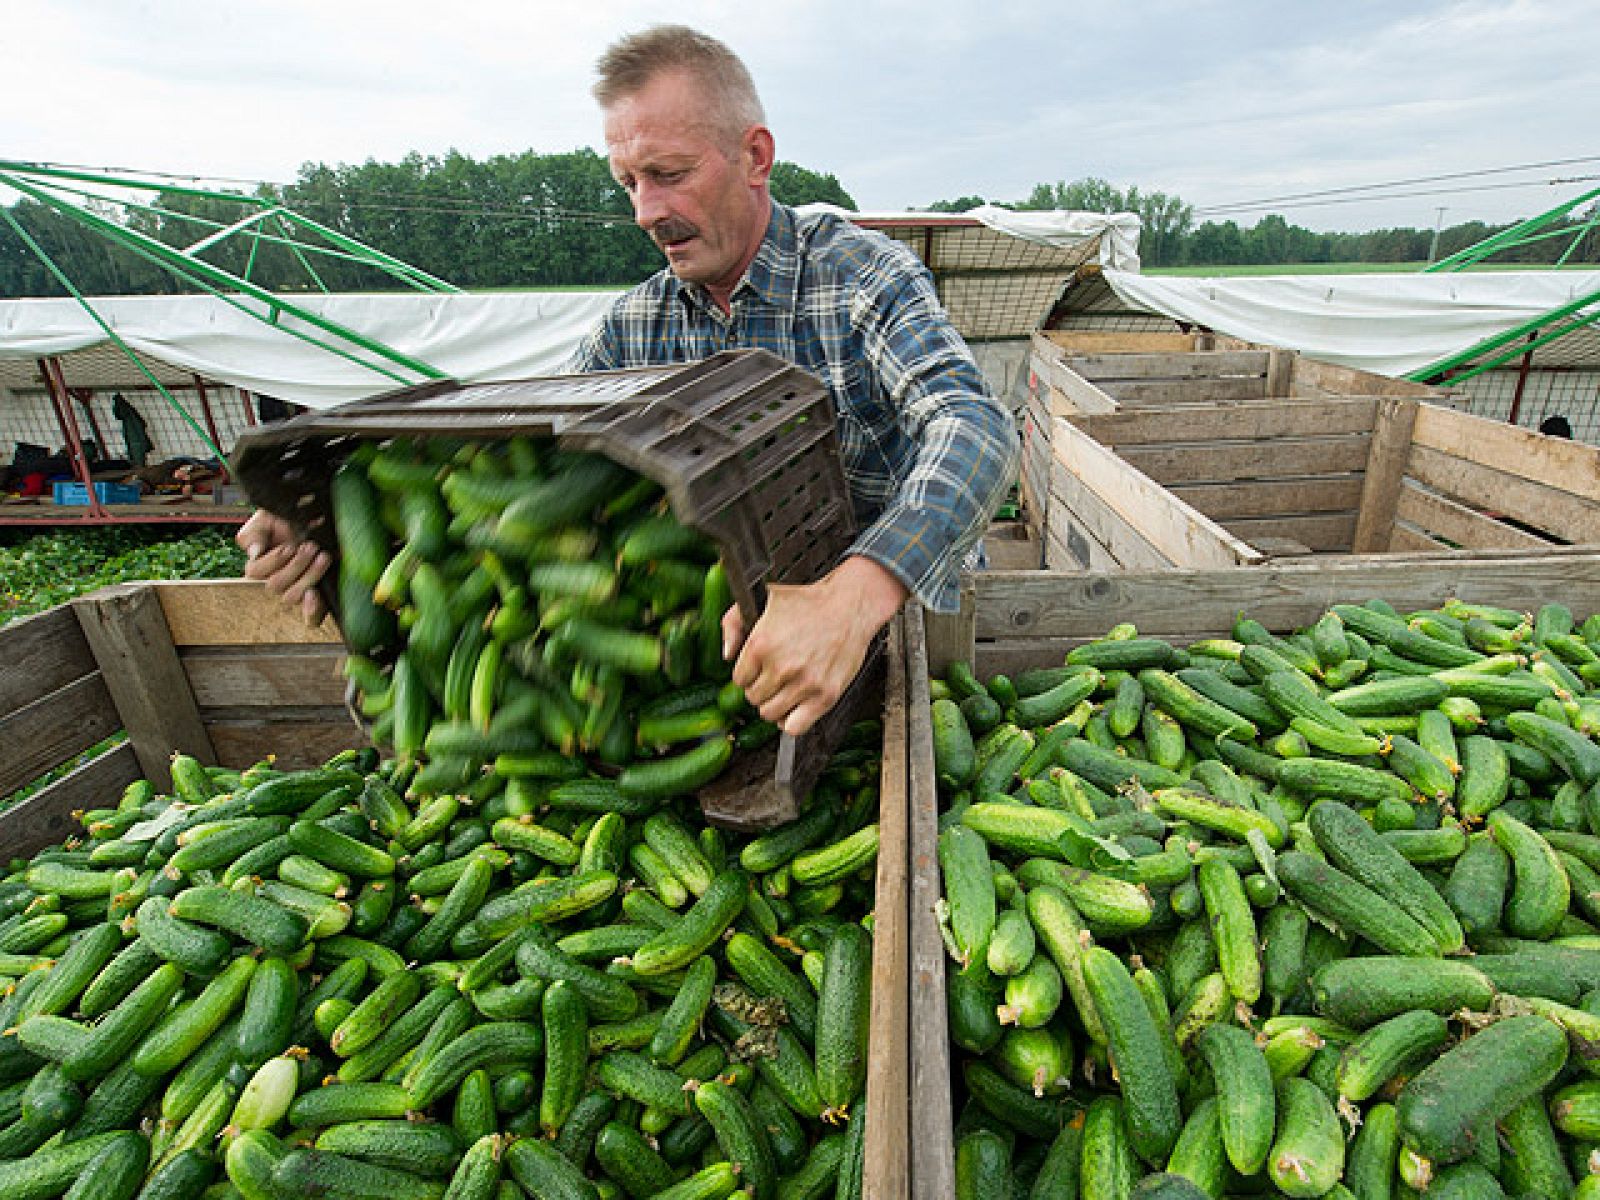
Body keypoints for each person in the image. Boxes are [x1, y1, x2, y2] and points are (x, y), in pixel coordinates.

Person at [239, 24, 1018, 737]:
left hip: (901, 636)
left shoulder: (859, 278)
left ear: (755, 156)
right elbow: (549, 477)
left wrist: (854, 598)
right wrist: (346, 532)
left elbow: (974, 427)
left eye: (669, 174)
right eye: (629, 183)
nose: (648, 210)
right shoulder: (631, 329)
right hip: (734, 657)